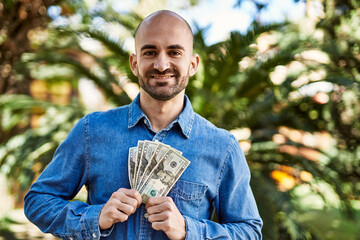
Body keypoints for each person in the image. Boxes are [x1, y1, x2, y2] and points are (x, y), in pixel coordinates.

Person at [24, 10, 263, 240]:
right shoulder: (91, 131)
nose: (161, 64)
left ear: (193, 64)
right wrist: (95, 217)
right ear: (134, 63)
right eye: (149, 52)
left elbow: (249, 231)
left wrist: (188, 230)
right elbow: (38, 201)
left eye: (174, 52)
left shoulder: (223, 147)